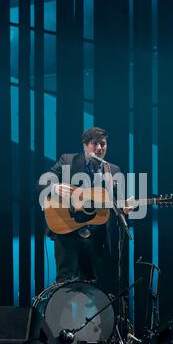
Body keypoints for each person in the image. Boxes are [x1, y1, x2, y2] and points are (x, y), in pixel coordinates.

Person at [40, 126, 132, 296]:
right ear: (84, 145)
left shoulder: (113, 170)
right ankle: (65, 322)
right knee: (65, 284)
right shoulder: (68, 161)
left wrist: (124, 209)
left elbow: (116, 204)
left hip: (97, 238)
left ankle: (92, 323)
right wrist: (55, 187)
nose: (99, 148)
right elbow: (42, 182)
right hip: (67, 232)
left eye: (103, 144)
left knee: (95, 288)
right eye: (94, 144)